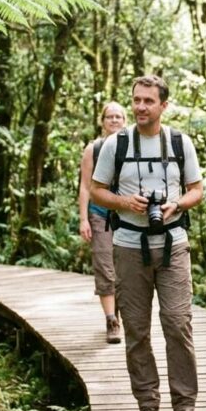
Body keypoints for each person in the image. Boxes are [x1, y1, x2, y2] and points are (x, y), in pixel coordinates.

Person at [91, 75, 205, 411]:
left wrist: (176, 204)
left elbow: (197, 189)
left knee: (177, 323)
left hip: (173, 244)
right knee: (137, 329)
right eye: (136, 100)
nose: (141, 107)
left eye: (148, 101)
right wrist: (126, 202)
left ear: (163, 105)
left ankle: (185, 407)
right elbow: (96, 190)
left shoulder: (179, 142)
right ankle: (147, 403)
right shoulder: (116, 144)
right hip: (128, 245)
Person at [78, 102, 127, 344]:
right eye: (110, 117)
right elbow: (85, 186)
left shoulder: (132, 147)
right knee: (105, 266)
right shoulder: (93, 149)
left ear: (125, 121)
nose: (114, 120)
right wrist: (83, 219)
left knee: (126, 270)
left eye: (118, 117)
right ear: (103, 121)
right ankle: (111, 320)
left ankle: (124, 315)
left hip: (128, 215)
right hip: (100, 215)